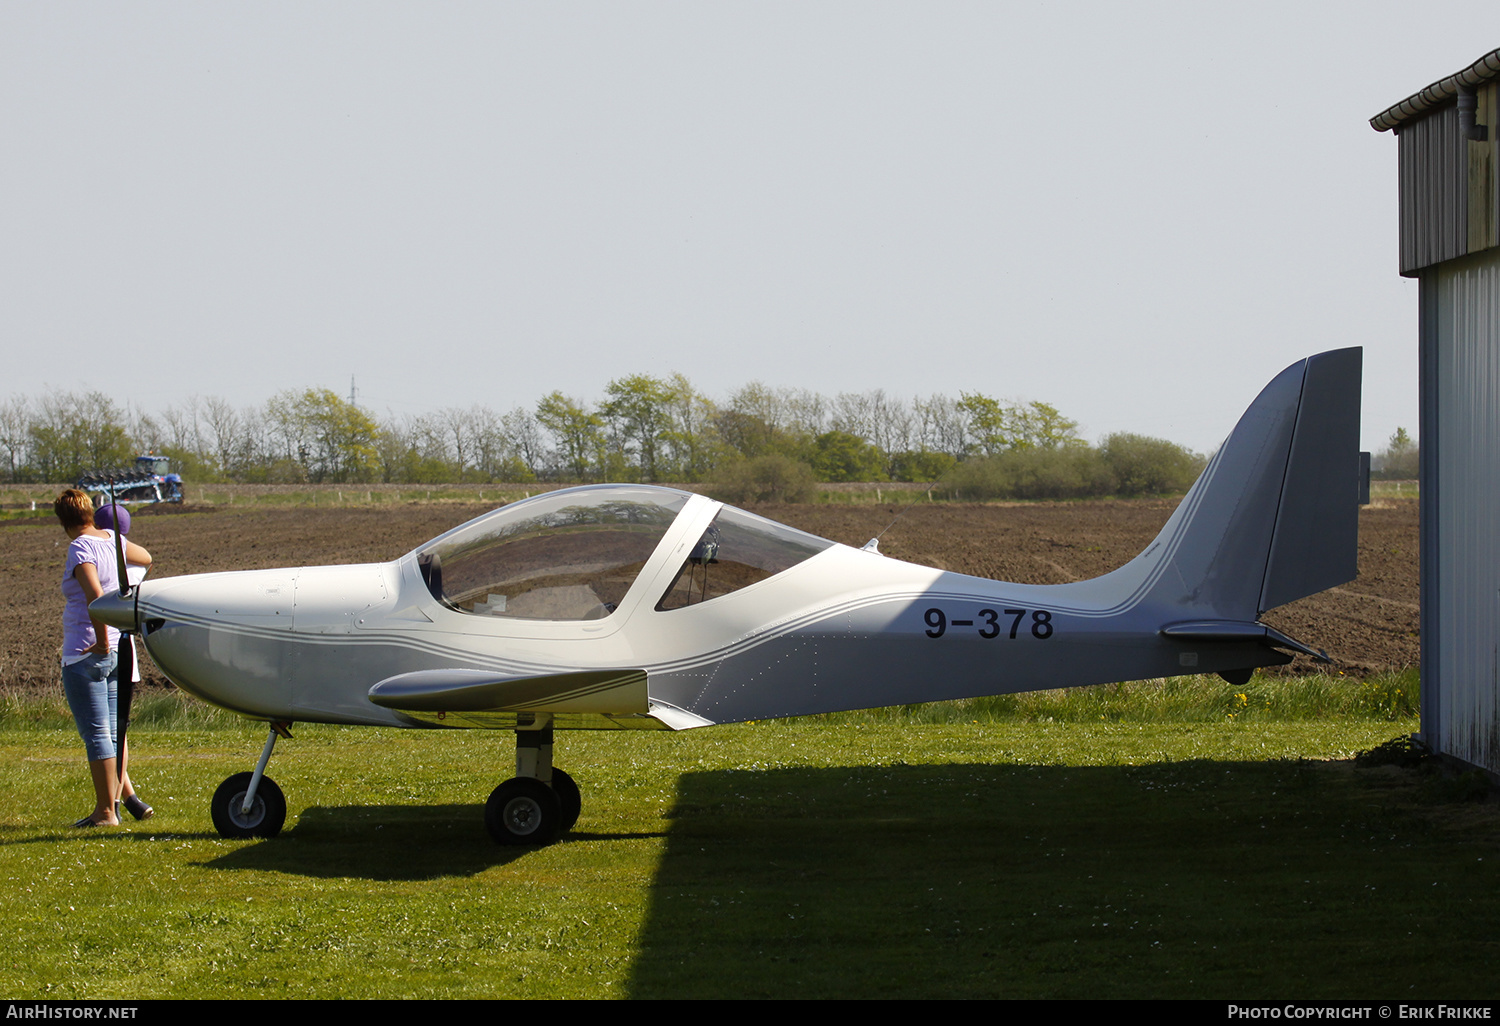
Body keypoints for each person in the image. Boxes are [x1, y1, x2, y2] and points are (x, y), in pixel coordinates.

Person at [55, 489, 153, 827]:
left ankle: (106, 812)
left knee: (97, 733)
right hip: (118, 649)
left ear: (64, 521)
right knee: (115, 732)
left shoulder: (79, 547)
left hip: (88, 651)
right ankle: (117, 802)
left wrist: (98, 641)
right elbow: (146, 557)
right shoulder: (112, 538)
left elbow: (95, 596)